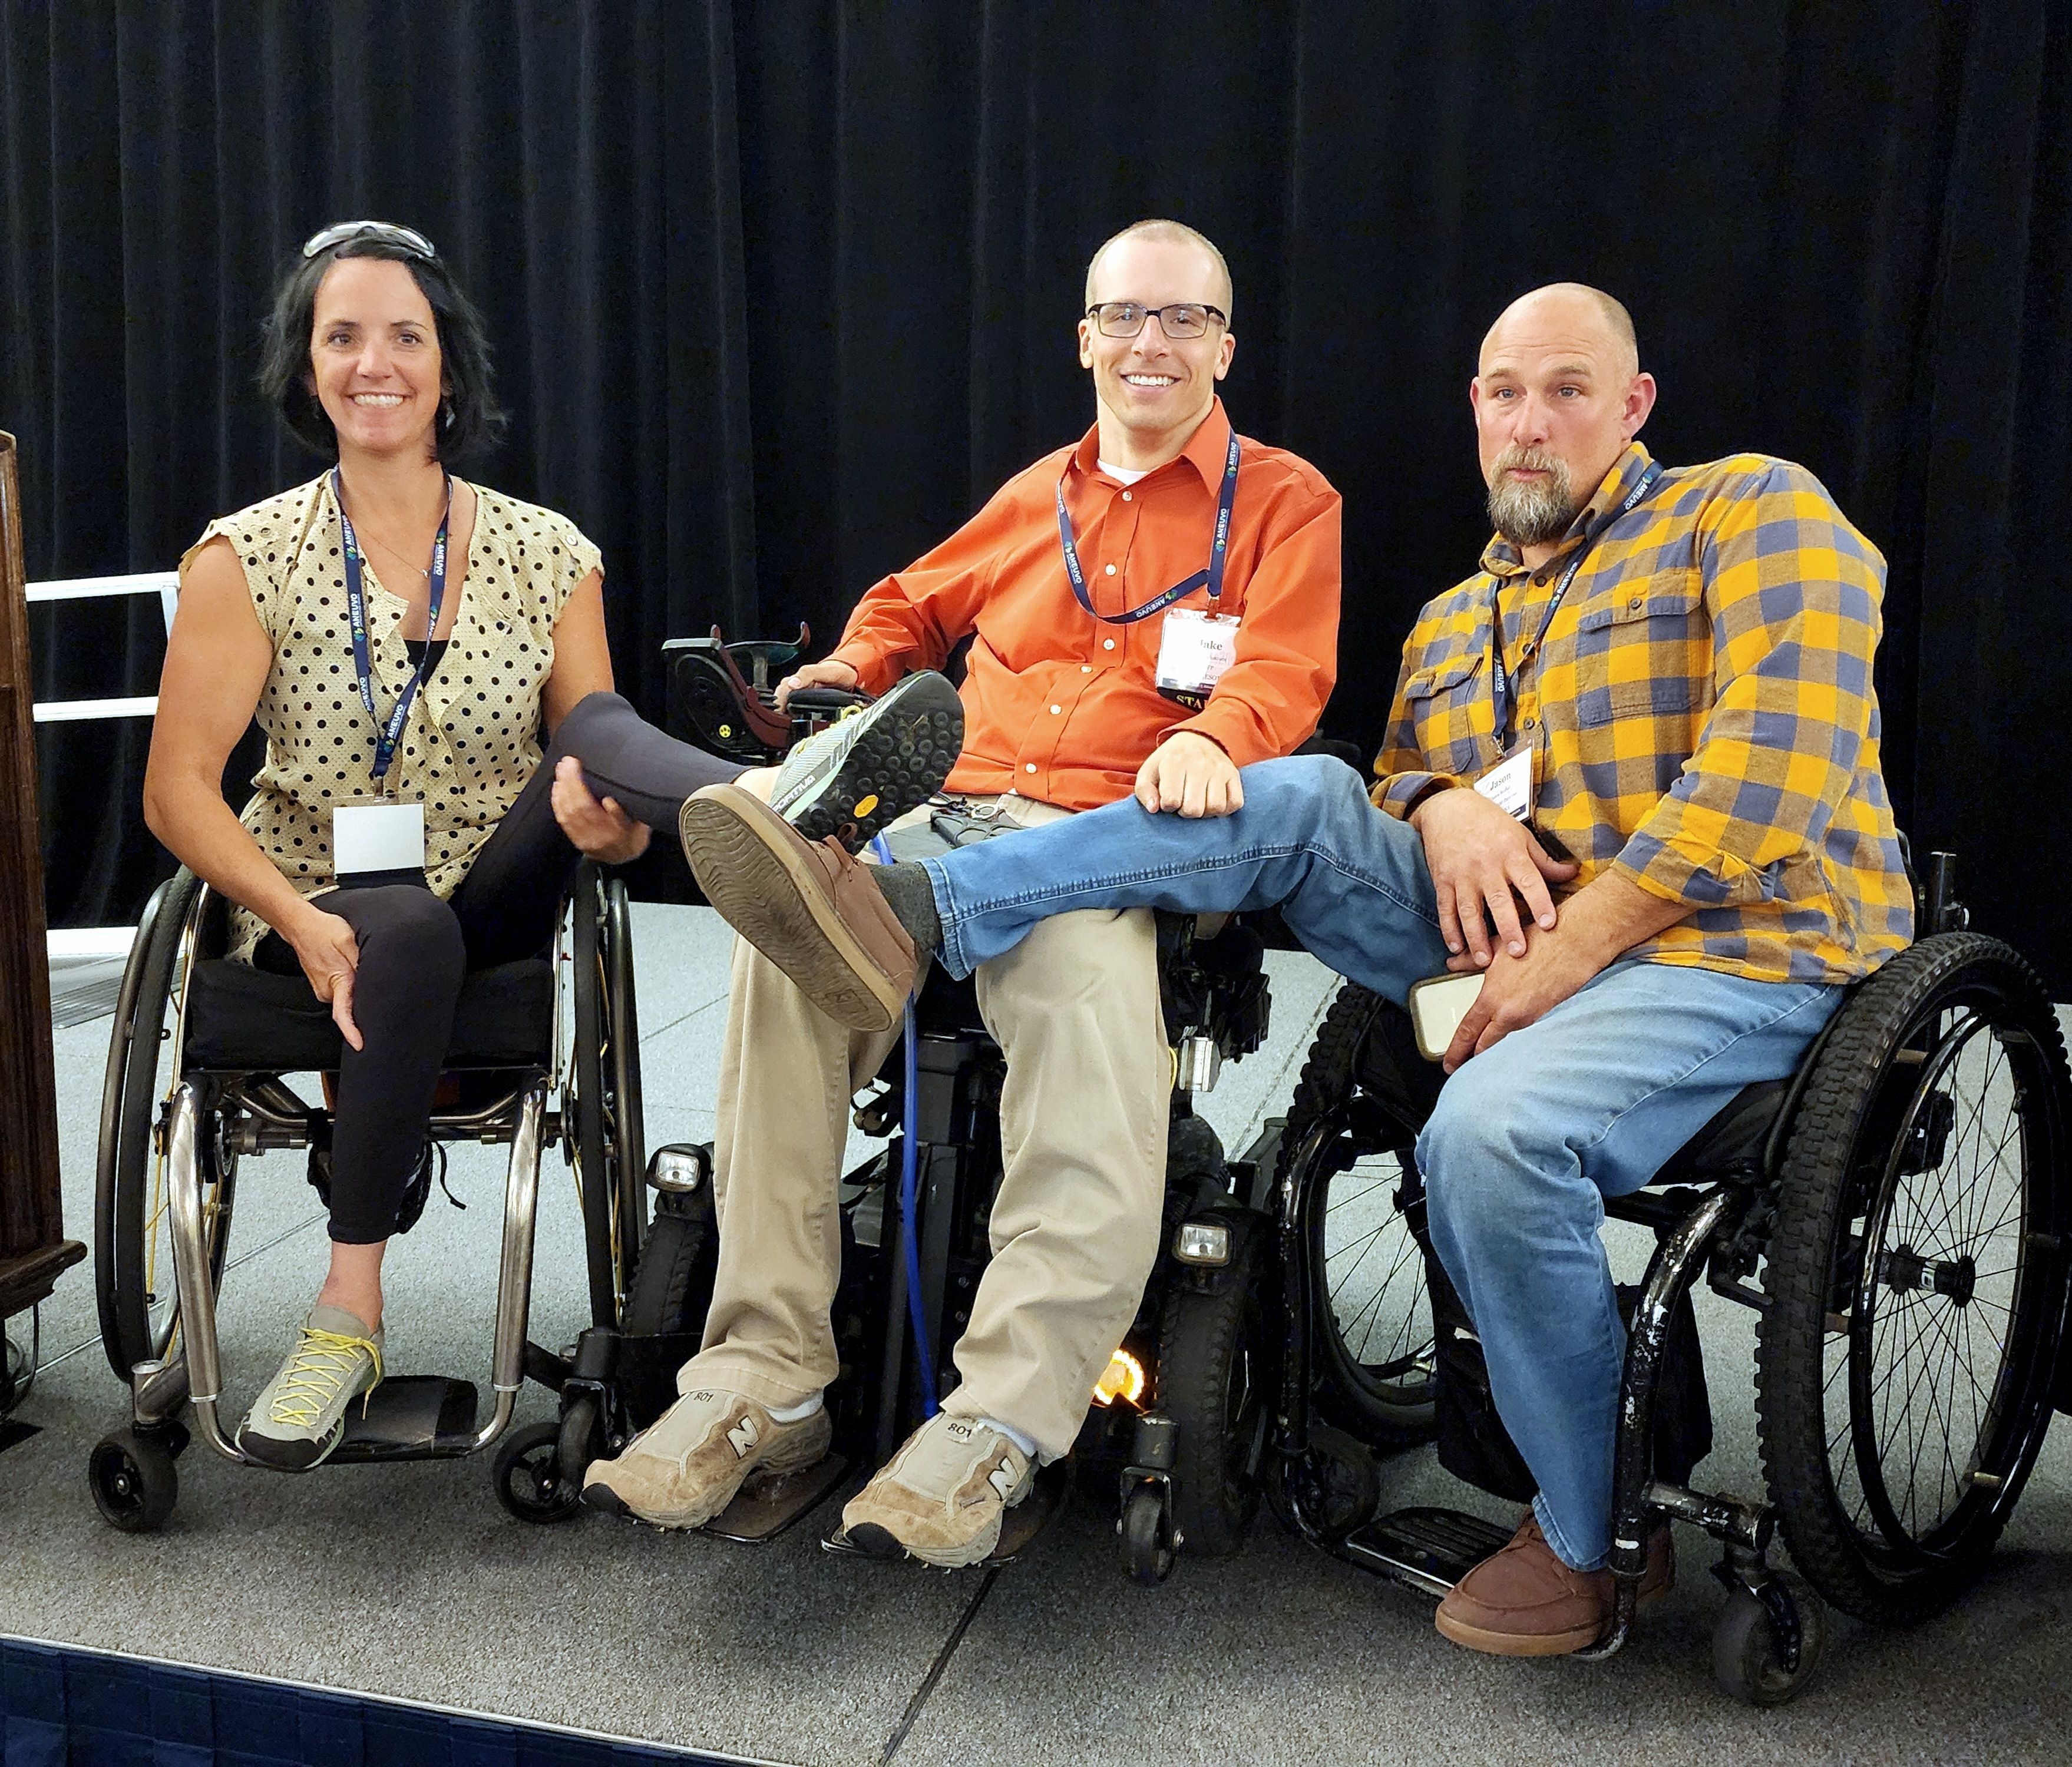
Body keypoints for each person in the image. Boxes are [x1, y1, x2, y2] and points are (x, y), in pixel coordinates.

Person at [676, 282, 1914, 1646]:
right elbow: (1396, 777)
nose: (1529, 424)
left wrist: (1578, 944)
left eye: (1566, 392)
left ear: (1633, 408)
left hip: (1731, 951)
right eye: (1504, 394)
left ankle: (1590, 1538)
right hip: (1502, 930)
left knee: (1487, 1137)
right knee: (1308, 797)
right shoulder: (1458, 616)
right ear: (1474, 413)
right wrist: (1436, 803)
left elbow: (1778, 768)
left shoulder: (1747, 512)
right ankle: (914, 905)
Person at [582, 219, 1343, 1564]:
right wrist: (851, 669)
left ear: (1225, 345)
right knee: (782, 960)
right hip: (954, 807)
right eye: (1125, 317)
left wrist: (1210, 737)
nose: (1150, 343)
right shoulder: (1032, 494)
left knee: (1074, 974)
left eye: (1182, 320)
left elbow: (1283, 673)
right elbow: (908, 604)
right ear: (1084, 339)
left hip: (1115, 837)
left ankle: (1002, 1416)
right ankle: (765, 1380)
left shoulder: (1285, 501)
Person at [144, 220, 961, 1471]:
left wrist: (614, 831)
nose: (376, 362)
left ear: (448, 371)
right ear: (307, 373)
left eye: (404, 336)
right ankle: (345, 1316)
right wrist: (300, 918)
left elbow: (601, 786)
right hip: (316, 898)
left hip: (495, 885)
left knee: (590, 729)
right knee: (398, 921)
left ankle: (780, 802)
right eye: (342, 337)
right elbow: (177, 795)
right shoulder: (245, 557)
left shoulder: (544, 551)